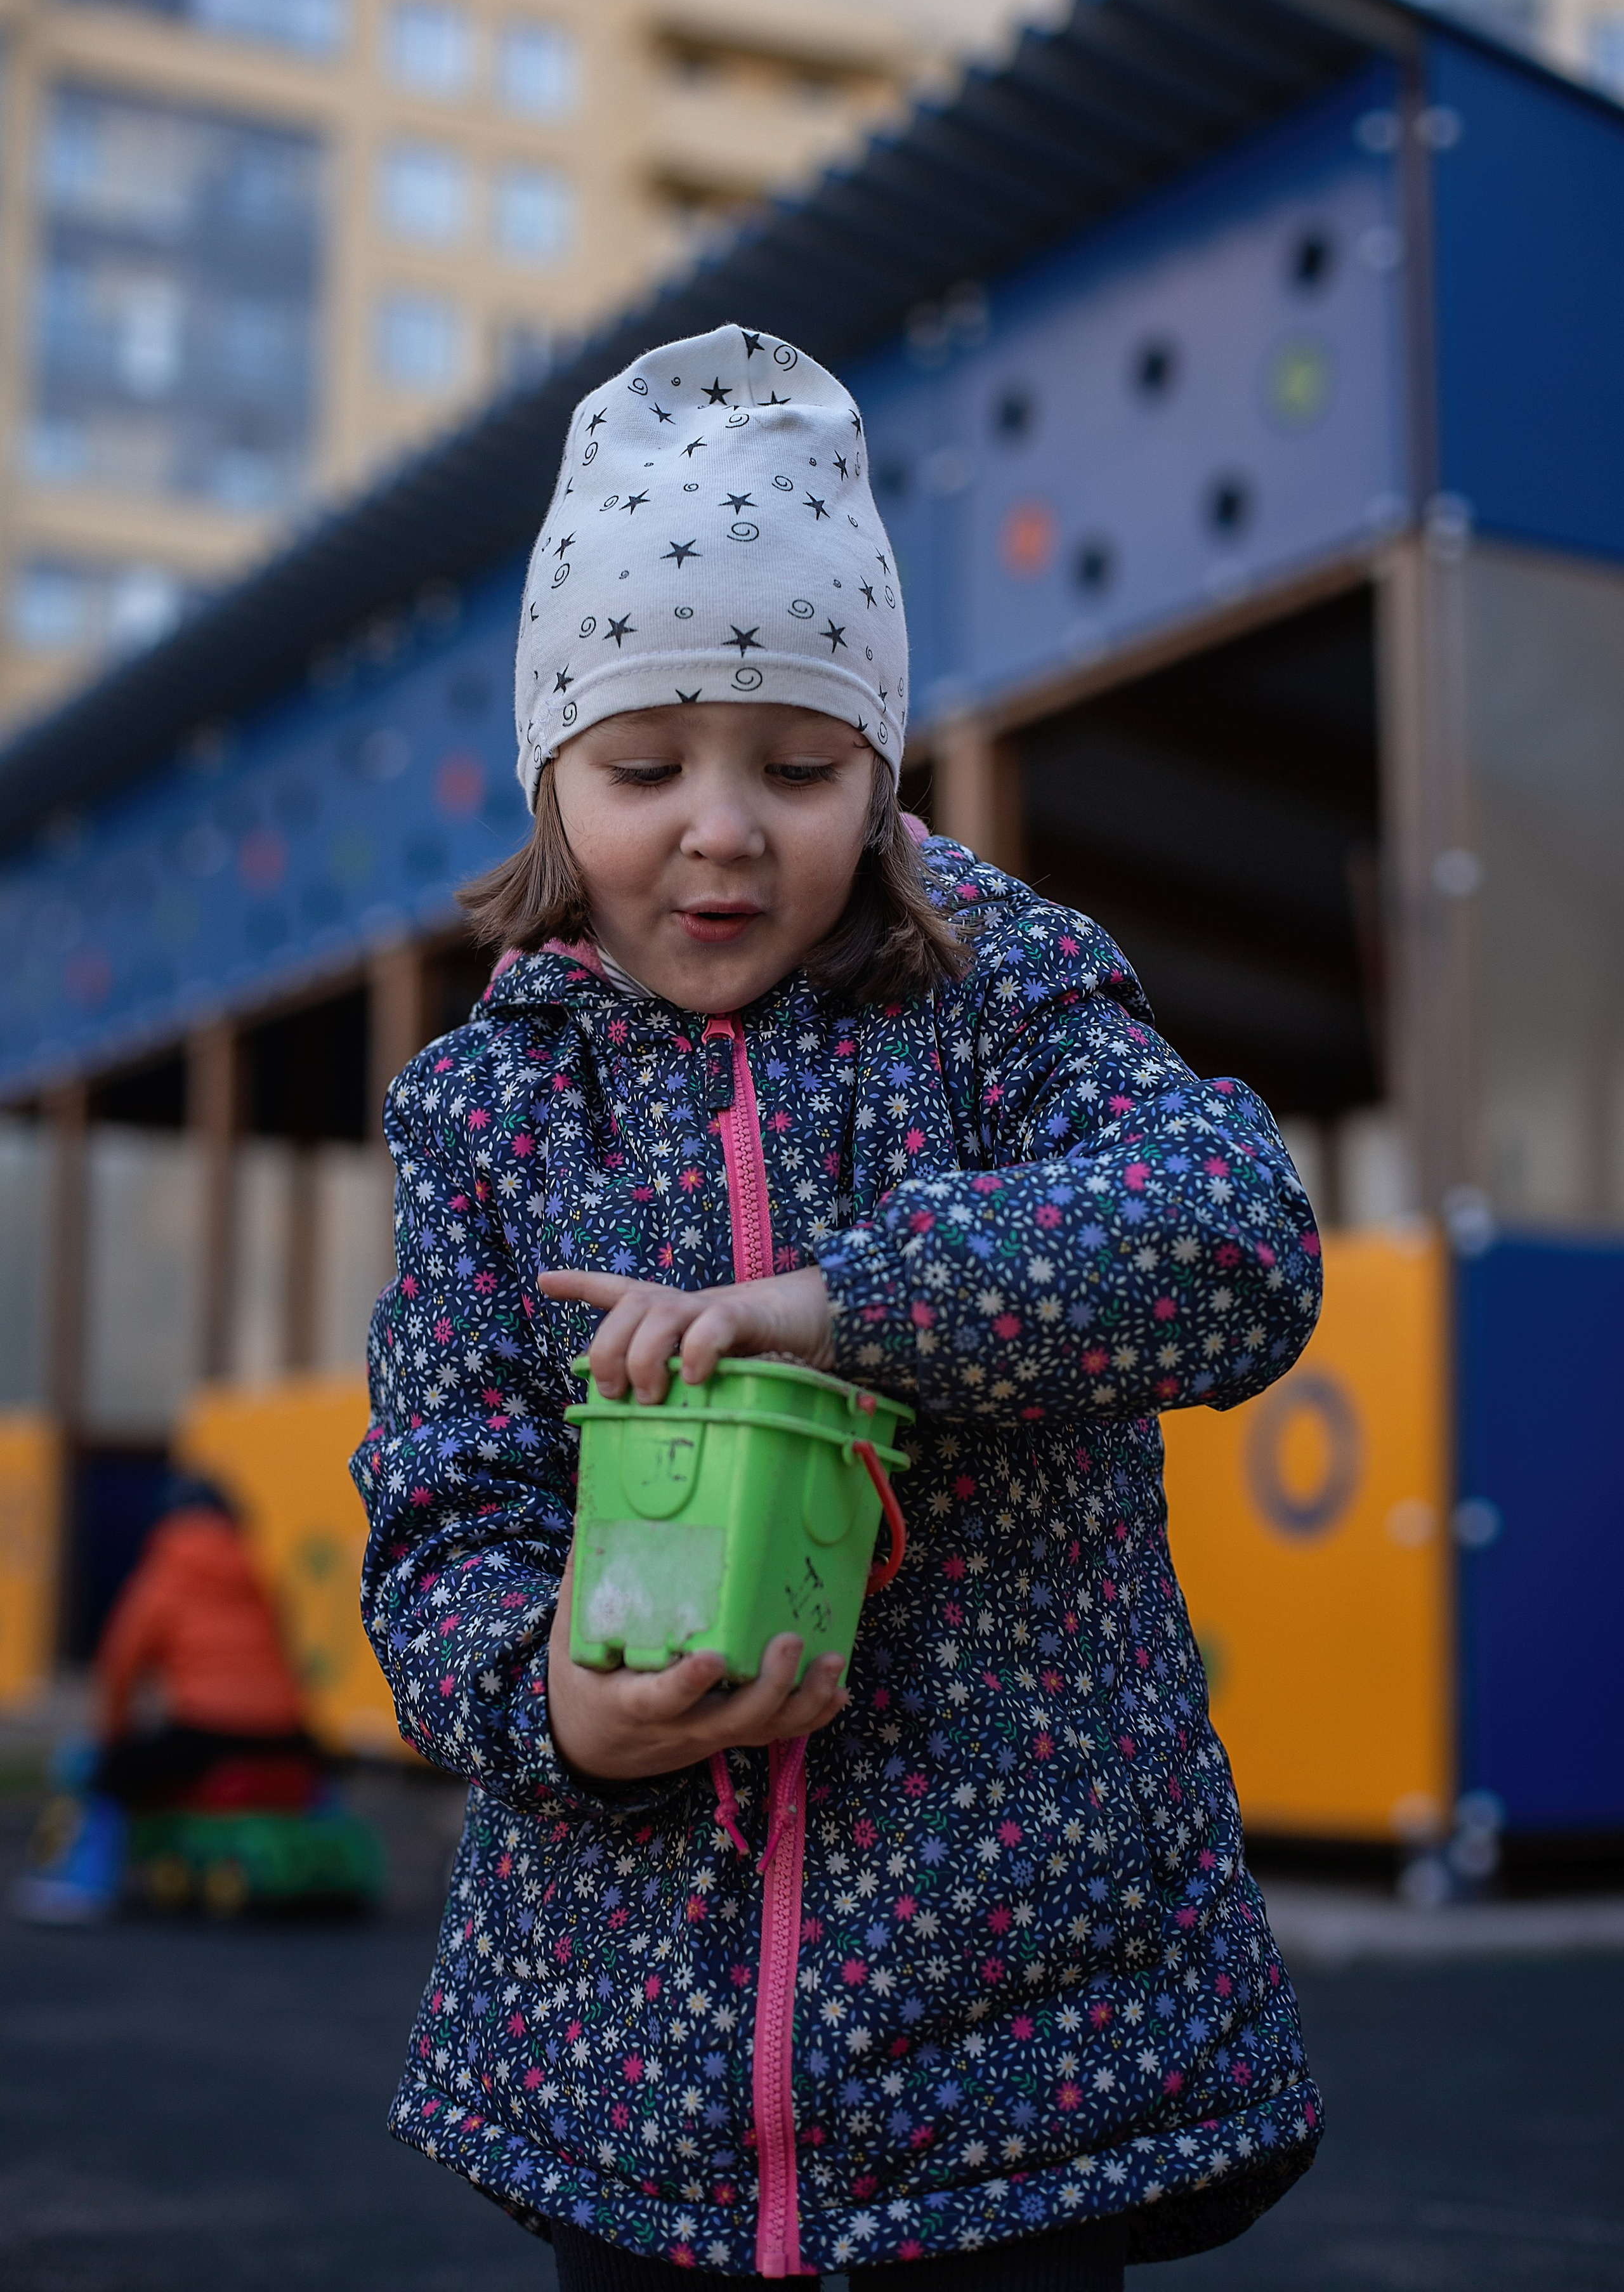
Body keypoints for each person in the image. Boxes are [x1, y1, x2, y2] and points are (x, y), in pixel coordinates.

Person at [352, 325, 1325, 2287]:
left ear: (879, 762)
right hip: (624, 2064)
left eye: (796, 765)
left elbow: (1234, 1233)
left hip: (1013, 2046)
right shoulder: (484, 1107)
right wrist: (546, 1693)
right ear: (554, 762)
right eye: (644, 764)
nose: (721, 826)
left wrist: (840, 1301)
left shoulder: (996, 1002)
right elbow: (441, 1502)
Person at [13, 1476, 318, 1923]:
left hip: (206, 1729)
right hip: (287, 1734)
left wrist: (112, 1735)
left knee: (112, 1774)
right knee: (310, 1781)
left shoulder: (163, 1576)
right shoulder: (256, 1572)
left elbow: (120, 1665)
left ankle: (83, 1886)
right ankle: (321, 1861)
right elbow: (285, 1658)